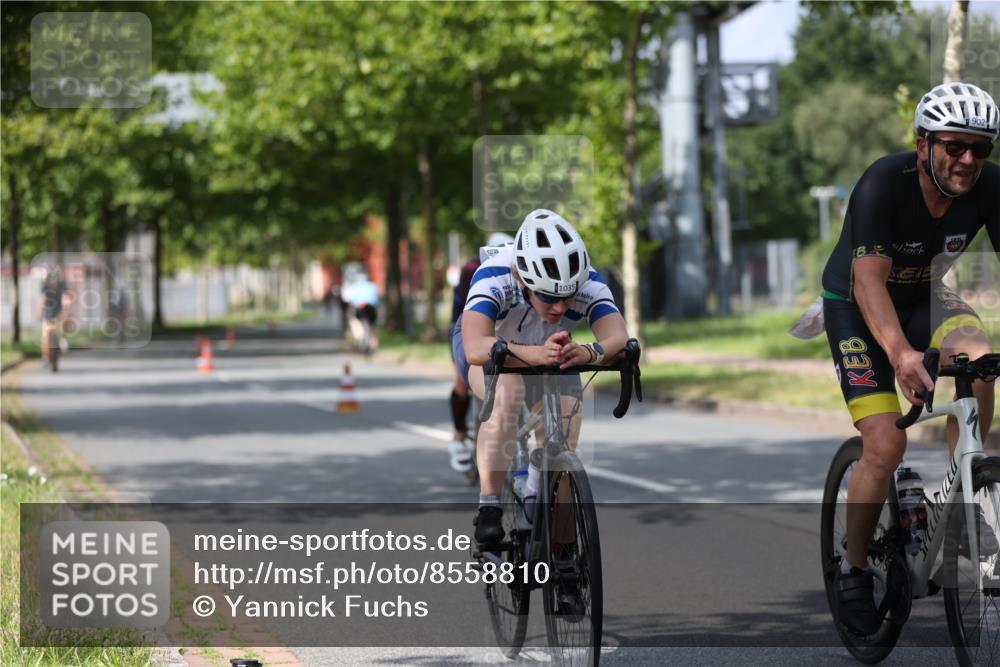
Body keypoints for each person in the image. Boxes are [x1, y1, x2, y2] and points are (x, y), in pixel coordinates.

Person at [821, 82, 999, 636]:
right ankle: (852, 567)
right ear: (923, 143)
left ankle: (965, 489)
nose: (968, 159)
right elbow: (869, 280)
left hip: (923, 295)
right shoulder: (883, 182)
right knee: (885, 441)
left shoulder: (989, 185)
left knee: (982, 358)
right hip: (856, 302)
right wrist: (898, 353)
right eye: (954, 145)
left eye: (981, 148)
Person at [455, 209, 627, 543]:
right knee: (507, 393)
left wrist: (590, 352)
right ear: (522, 280)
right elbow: (475, 346)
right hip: (497, 350)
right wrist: (536, 353)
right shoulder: (496, 276)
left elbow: (617, 337)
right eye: (549, 296)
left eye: (568, 296)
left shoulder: (589, 282)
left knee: (563, 433)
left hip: (553, 354)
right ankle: (489, 504)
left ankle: (565, 562)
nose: (561, 308)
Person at [447, 232, 514, 473]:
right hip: (466, 324)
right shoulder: (472, 269)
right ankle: (458, 435)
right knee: (462, 382)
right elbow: (472, 312)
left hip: (506, 327)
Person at [39, 267, 69, 366]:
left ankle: (63, 341)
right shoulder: (44, 286)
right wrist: (41, 310)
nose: (53, 283)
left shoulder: (62, 285)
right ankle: (46, 356)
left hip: (59, 311)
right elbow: (42, 299)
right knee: (46, 334)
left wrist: (66, 308)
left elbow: (65, 298)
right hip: (48, 312)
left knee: (63, 326)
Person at [344, 272, 379, 352]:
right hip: (371, 308)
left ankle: (359, 337)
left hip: (360, 308)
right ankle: (373, 342)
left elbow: (349, 298)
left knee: (354, 320)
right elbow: (376, 298)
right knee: (373, 325)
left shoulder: (355, 286)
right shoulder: (372, 285)